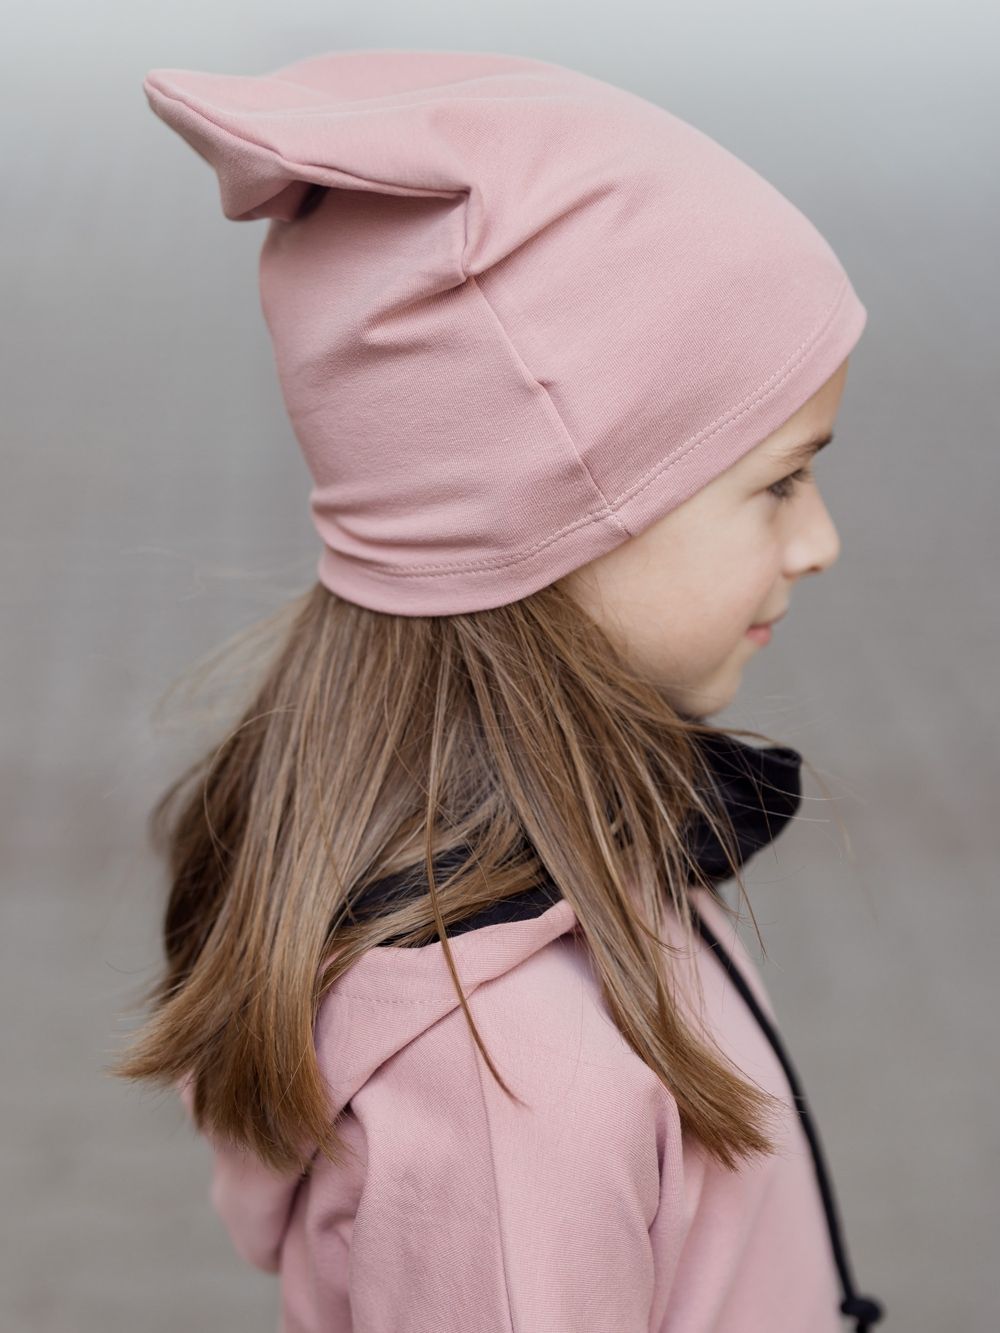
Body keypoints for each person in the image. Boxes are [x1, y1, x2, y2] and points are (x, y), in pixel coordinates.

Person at [113, 48, 886, 1332]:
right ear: (558, 521)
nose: (819, 542)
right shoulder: (514, 1091)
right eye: (779, 481)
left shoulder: (562, 856)